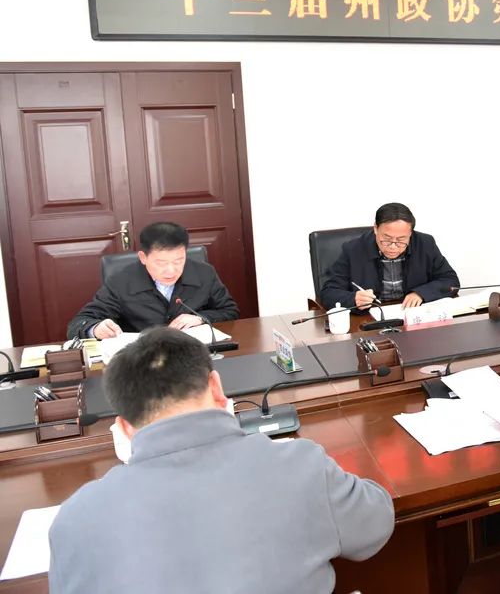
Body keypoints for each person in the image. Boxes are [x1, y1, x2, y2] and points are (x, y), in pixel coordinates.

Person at [48, 328, 394, 594]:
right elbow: (374, 526)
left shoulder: (76, 519)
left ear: (124, 427)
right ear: (216, 387)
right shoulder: (300, 464)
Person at [66, 222, 238, 340]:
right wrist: (95, 329)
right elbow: (78, 323)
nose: (171, 271)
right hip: (142, 362)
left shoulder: (204, 273)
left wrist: (200, 318)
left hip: (194, 356)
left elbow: (230, 311)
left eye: (178, 261)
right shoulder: (121, 281)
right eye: (161, 263)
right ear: (143, 257)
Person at [321, 202, 459, 310]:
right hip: (371, 318)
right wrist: (353, 299)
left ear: (410, 233)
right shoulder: (353, 249)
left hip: (410, 315)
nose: (393, 246)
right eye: (386, 239)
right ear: (375, 228)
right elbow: (328, 292)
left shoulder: (425, 244)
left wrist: (421, 293)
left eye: (401, 240)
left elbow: (450, 280)